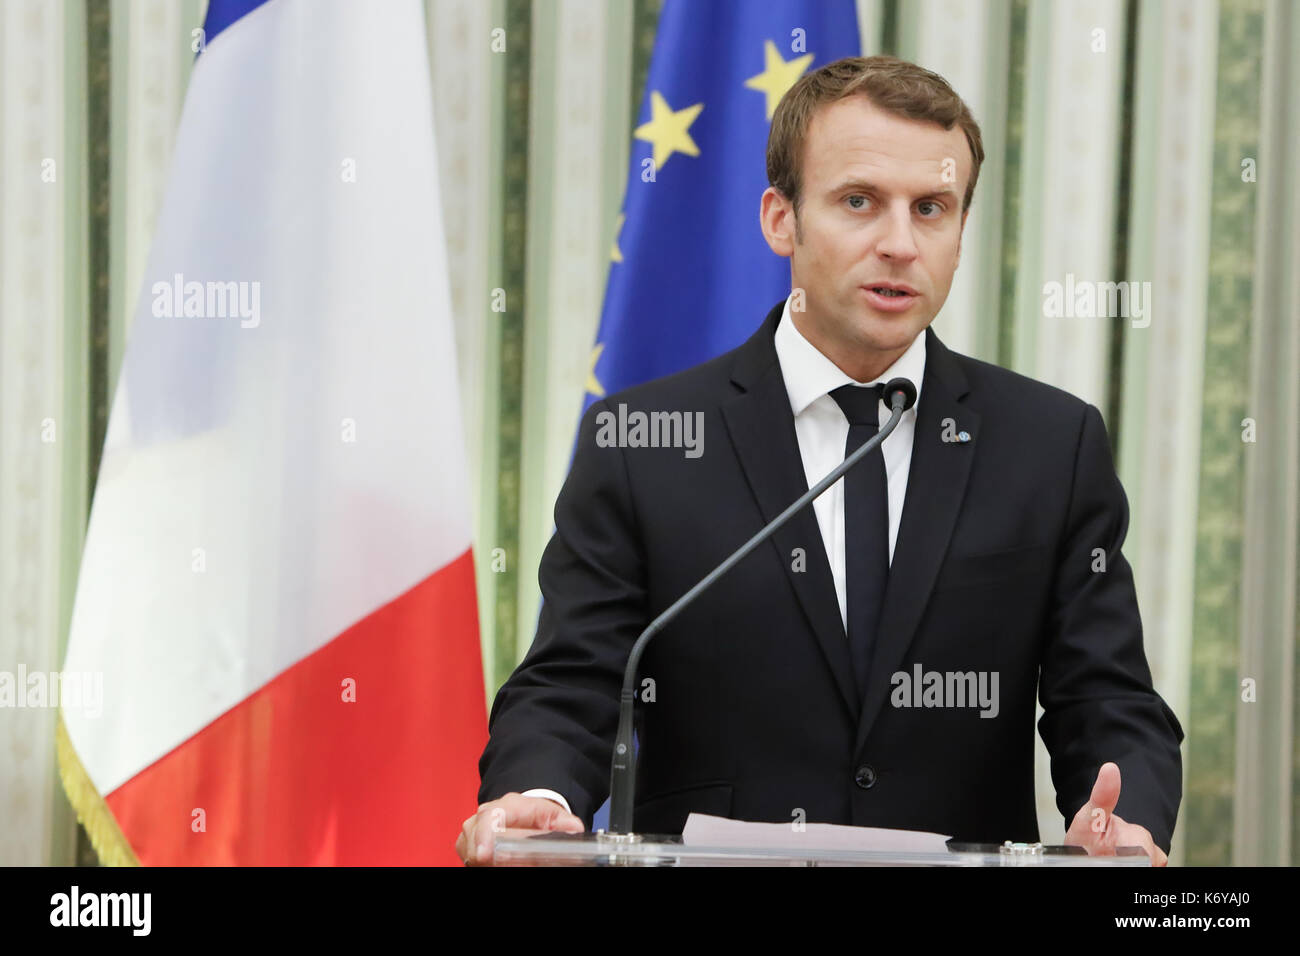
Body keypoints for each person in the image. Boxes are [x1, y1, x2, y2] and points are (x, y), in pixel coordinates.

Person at [458, 56, 1183, 866]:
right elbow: (573, 678)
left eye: (932, 208)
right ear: (781, 219)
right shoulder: (641, 441)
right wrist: (540, 796)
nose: (901, 244)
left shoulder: (1051, 444)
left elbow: (1108, 696)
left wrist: (1127, 819)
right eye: (859, 202)